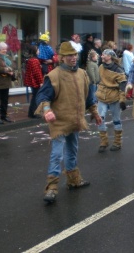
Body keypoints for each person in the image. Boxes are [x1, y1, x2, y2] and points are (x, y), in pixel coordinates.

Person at [35, 41, 102, 203]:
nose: (73, 58)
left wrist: (95, 112)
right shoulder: (54, 76)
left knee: (73, 150)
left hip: (75, 120)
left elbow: (89, 97)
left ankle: (73, 180)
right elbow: (43, 97)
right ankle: (51, 187)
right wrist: (47, 110)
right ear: (62, 58)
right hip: (59, 121)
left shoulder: (82, 74)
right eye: (69, 56)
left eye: (75, 55)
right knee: (57, 154)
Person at [96, 49, 127, 153]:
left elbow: (123, 86)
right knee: (100, 119)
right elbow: (99, 80)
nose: (102, 56)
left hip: (114, 97)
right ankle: (103, 142)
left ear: (110, 57)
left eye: (104, 54)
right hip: (102, 96)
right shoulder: (101, 67)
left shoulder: (118, 70)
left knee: (116, 120)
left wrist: (122, 100)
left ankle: (117, 142)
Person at [0, 42, 14, 124]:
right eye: (3, 49)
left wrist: (12, 70)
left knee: (5, 101)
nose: (5, 50)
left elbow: (13, 65)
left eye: (6, 49)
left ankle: (4, 116)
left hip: (6, 82)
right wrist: (8, 70)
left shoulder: (6, 57)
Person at [24, 45, 43, 118]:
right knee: (36, 97)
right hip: (35, 81)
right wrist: (41, 82)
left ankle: (31, 113)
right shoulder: (34, 60)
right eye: (38, 50)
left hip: (32, 81)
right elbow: (37, 72)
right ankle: (34, 113)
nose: (39, 51)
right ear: (35, 51)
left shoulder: (31, 60)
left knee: (35, 96)